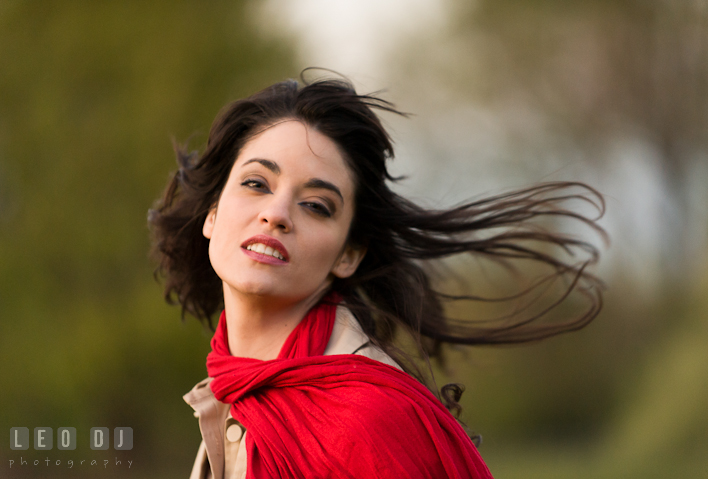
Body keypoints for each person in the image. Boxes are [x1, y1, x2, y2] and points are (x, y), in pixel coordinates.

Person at [148, 71, 605, 479]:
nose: (277, 213)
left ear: (348, 254)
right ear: (212, 214)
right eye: (256, 183)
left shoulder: (368, 424)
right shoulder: (233, 391)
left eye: (315, 206)